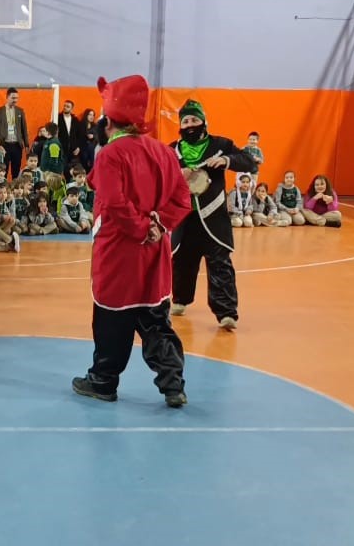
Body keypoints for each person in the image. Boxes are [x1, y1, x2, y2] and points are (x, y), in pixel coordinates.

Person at [71, 75, 193, 408]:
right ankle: (173, 384)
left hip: (120, 253)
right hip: (155, 253)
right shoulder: (164, 153)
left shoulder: (111, 156)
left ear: (107, 120)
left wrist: (141, 228)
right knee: (155, 320)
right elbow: (183, 199)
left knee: (113, 321)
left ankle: (103, 381)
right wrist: (158, 225)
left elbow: (113, 203)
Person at [168, 100, 256, 330]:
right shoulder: (171, 150)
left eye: (194, 120)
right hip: (185, 218)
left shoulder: (220, 144)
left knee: (220, 264)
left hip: (213, 218)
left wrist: (227, 160)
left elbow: (249, 163)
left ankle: (227, 313)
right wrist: (178, 172)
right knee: (182, 262)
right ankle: (180, 299)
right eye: (185, 121)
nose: (190, 125)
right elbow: (159, 174)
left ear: (203, 121)